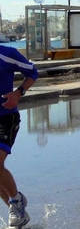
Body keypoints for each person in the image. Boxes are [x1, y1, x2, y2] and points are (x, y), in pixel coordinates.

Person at [0, 45, 38, 228]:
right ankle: (17, 210)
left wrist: (18, 93)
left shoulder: (7, 54)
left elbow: (32, 72)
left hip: (5, 117)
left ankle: (16, 201)